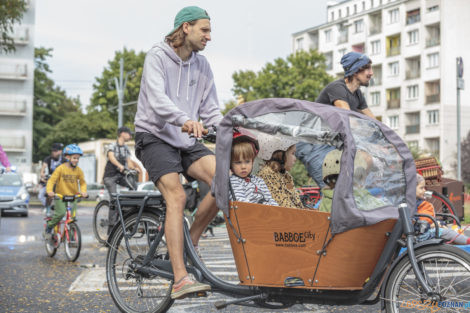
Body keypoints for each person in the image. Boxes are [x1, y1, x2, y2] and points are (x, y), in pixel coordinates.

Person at [134, 6, 222, 299]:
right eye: (205, 30)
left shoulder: (203, 65)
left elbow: (210, 112)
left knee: (225, 179)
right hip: (155, 136)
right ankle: (181, 279)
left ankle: (191, 243)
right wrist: (184, 119)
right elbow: (158, 101)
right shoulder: (157, 56)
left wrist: (234, 129)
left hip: (186, 139)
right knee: (178, 196)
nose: (209, 36)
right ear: (186, 28)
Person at [297, 51, 376, 189]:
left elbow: (373, 121)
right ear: (356, 70)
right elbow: (348, 120)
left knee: (365, 159)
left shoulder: (357, 94)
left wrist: (388, 140)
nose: (371, 73)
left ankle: (354, 195)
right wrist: (369, 137)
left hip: (332, 143)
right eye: (367, 68)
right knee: (332, 189)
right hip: (312, 144)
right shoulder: (337, 88)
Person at [44, 144, 87, 240]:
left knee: (72, 217)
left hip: (73, 197)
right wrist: (50, 191)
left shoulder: (78, 170)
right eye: (74, 158)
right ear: (67, 157)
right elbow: (51, 180)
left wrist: (83, 191)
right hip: (60, 196)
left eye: (77, 158)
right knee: (60, 214)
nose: (76, 160)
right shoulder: (60, 168)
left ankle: (71, 237)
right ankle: (49, 226)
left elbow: (83, 183)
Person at [103, 126, 140, 233]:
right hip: (110, 176)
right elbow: (111, 157)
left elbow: (129, 162)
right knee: (114, 199)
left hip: (121, 176)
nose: (130, 136)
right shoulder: (112, 145)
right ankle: (111, 229)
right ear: (122, 133)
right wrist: (120, 166)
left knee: (134, 186)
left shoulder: (126, 148)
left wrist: (134, 168)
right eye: (129, 133)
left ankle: (127, 210)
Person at [415, 174, 470, 245]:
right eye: (421, 188)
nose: (424, 190)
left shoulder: (417, 202)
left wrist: (440, 224)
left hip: (425, 230)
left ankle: (463, 245)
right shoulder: (413, 204)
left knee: (450, 230)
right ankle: (467, 242)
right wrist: (432, 225)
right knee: (447, 233)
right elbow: (417, 225)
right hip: (420, 235)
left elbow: (427, 220)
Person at [229, 129, 277, 205]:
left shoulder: (259, 181)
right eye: (238, 162)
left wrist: (277, 211)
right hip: (247, 214)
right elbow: (240, 201)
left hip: (266, 213)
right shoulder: (233, 181)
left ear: (252, 161)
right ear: (230, 164)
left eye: (247, 161)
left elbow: (270, 199)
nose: (243, 166)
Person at [257, 134, 305, 209]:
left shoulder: (286, 176)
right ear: (280, 155)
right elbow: (281, 203)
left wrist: (304, 212)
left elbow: (296, 199)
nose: (295, 158)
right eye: (293, 153)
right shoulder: (267, 173)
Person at [39, 143, 64, 212]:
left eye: (55, 151)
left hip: (60, 183)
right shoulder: (48, 159)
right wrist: (42, 175)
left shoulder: (64, 160)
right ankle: (48, 207)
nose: (53, 152)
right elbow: (43, 169)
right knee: (42, 195)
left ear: (60, 151)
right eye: (53, 151)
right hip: (50, 181)